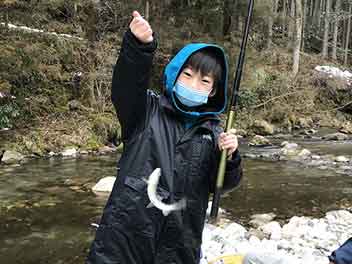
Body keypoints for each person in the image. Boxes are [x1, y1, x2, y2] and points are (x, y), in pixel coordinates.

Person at [86, 10, 243, 264]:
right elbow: (126, 85)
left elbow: (224, 184)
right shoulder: (145, 110)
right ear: (175, 74)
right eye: (187, 75)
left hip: (179, 247)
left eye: (204, 81)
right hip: (123, 243)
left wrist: (232, 157)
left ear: (213, 91)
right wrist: (139, 47)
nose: (193, 86)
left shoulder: (215, 133)